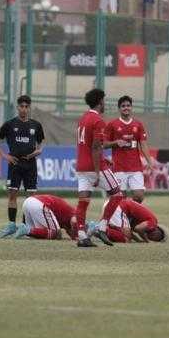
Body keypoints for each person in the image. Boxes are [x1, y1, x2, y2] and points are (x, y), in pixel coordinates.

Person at [75, 88, 124, 248]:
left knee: (83, 202)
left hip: (81, 166)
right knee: (117, 194)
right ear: (99, 101)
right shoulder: (98, 121)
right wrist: (97, 171)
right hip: (94, 167)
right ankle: (102, 227)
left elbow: (89, 144)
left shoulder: (82, 119)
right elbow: (96, 147)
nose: (105, 103)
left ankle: (82, 236)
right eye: (104, 100)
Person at [0, 95, 45, 238]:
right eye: (21, 106)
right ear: (17, 107)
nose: (24, 109)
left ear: (29, 108)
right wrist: (5, 156)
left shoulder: (36, 125)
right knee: (12, 195)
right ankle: (11, 225)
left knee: (31, 198)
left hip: (30, 165)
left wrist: (38, 151)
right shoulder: (10, 124)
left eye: (26, 106)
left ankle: (24, 226)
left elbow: (41, 144)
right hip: (15, 164)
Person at [104, 95, 155, 203]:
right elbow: (104, 144)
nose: (126, 108)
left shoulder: (138, 124)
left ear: (131, 107)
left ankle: (131, 216)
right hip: (119, 167)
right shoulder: (112, 125)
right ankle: (122, 217)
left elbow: (143, 144)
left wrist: (149, 162)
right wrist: (115, 143)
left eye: (128, 105)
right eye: (123, 106)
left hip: (135, 167)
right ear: (119, 108)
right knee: (119, 198)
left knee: (139, 196)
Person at [91, 198, 167, 243]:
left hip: (112, 203)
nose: (154, 237)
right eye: (158, 235)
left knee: (123, 233)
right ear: (157, 229)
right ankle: (96, 228)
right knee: (126, 238)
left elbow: (135, 230)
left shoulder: (143, 221)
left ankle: (96, 228)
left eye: (157, 239)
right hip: (118, 206)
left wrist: (140, 240)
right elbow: (138, 229)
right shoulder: (153, 223)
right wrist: (146, 240)